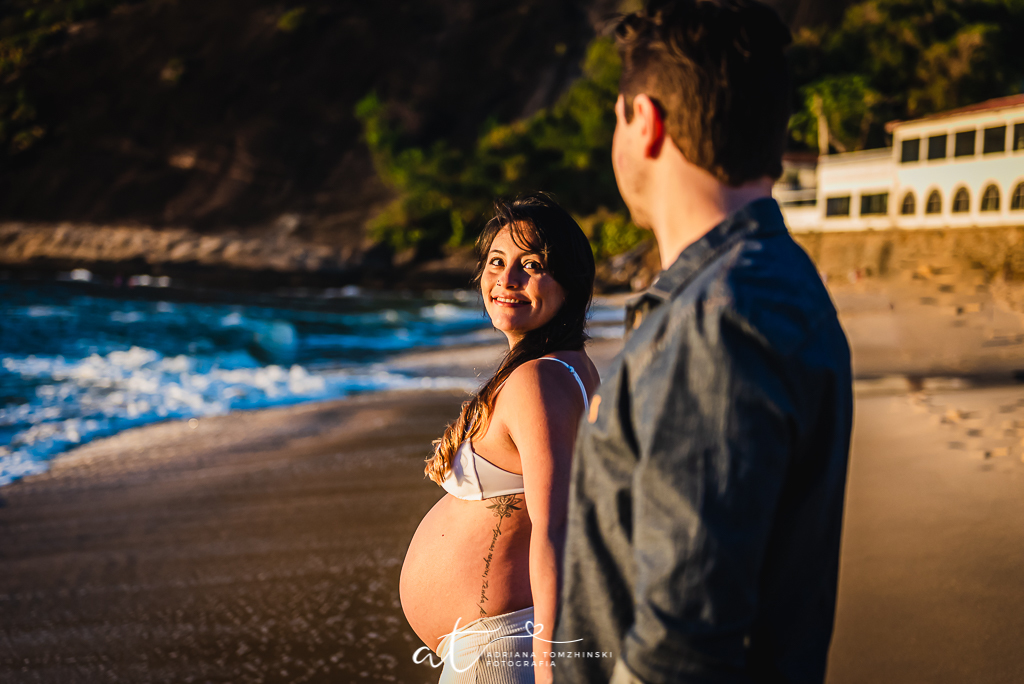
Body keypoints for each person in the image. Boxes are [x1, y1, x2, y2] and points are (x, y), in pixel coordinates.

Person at [553, 2, 854, 683]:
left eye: (616, 118)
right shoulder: (764, 284)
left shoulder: (718, 320)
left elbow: (683, 645)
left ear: (645, 121)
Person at [400, 193, 600, 684]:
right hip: (496, 645)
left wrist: (549, 661)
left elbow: (557, 528)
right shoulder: (566, 368)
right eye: (496, 261)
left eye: (531, 265)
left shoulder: (538, 380)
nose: (506, 279)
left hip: (501, 651)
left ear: (569, 283)